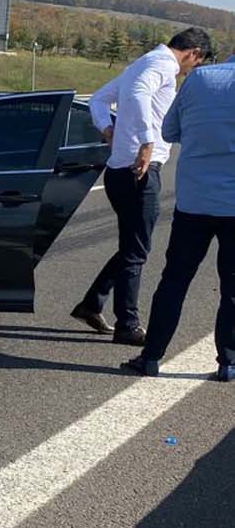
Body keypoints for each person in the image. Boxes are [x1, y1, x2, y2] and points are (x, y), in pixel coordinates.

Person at [71, 27, 213, 344]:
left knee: (133, 247)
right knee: (136, 251)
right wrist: (147, 142)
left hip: (120, 171)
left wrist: (107, 128)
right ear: (193, 53)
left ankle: (91, 304)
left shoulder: (141, 63)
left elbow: (99, 99)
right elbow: (137, 95)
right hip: (139, 171)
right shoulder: (163, 65)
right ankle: (127, 324)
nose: (190, 71)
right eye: (196, 63)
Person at [122, 57, 235, 381]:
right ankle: (228, 363)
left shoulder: (200, 78)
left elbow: (169, 130)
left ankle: (151, 356)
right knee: (232, 288)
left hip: (194, 201)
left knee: (174, 280)